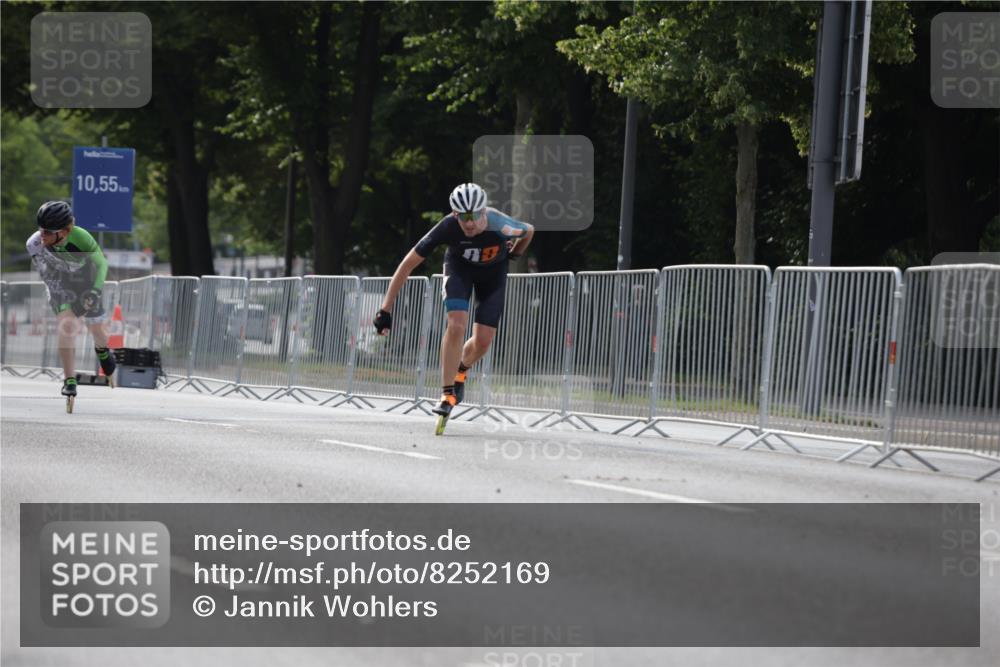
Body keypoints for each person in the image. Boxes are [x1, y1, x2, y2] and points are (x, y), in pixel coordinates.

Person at [374, 183, 534, 417]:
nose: (469, 223)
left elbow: (529, 231)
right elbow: (407, 264)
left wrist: (515, 254)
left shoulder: (501, 224)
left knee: (484, 341)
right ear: (455, 214)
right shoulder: (447, 227)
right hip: (460, 271)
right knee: (457, 324)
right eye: (463, 217)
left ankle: (460, 371)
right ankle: (446, 393)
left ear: (483, 211)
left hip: (493, 275)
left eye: (475, 215)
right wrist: (385, 310)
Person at [26, 201, 116, 398]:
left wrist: (94, 292)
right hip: (59, 281)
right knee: (66, 324)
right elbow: (48, 278)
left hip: (85, 279)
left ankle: (102, 351)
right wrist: (71, 308)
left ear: (65, 231)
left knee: (97, 330)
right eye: (41, 229)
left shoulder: (81, 237)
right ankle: (70, 379)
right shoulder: (34, 244)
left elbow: (101, 264)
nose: (43, 235)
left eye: (48, 232)